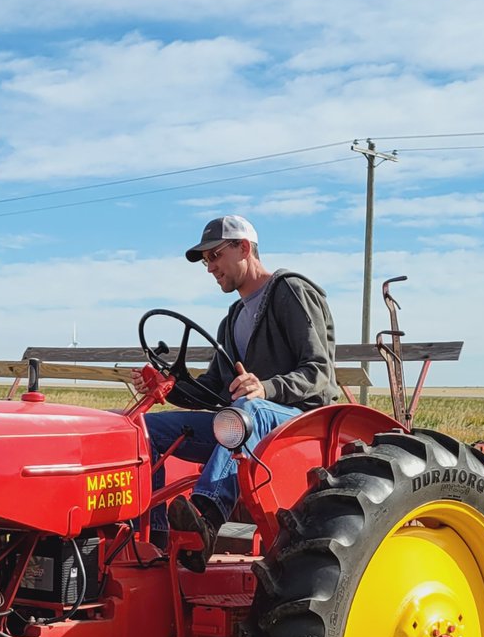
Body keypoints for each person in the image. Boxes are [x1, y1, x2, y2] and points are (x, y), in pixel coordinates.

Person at [136, 215, 341, 571]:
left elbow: (320, 374)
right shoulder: (232, 319)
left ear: (243, 248)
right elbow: (213, 390)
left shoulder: (290, 291)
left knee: (248, 410)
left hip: (298, 423)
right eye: (205, 261)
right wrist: (168, 388)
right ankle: (156, 539)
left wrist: (266, 388)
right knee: (146, 431)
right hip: (242, 422)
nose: (210, 267)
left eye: (215, 256)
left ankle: (207, 520)